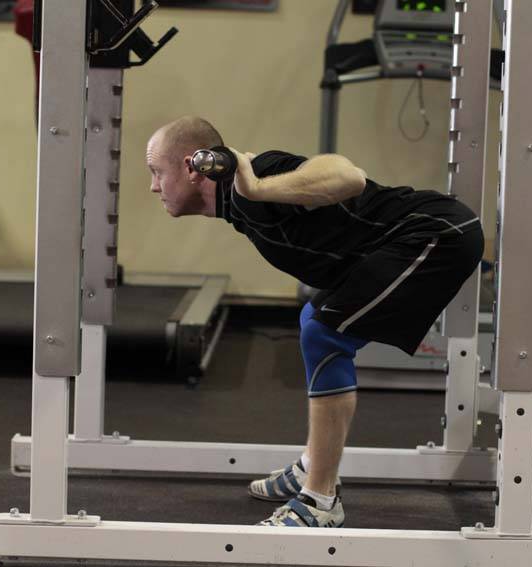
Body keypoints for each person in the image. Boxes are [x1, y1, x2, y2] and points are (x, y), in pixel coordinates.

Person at [146, 116, 484, 528]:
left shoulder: (258, 174)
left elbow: (348, 177)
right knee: (313, 317)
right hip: (407, 237)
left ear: (191, 167)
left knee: (325, 335)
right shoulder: (239, 204)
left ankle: (321, 500)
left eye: (156, 172)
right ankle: (313, 464)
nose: (154, 187)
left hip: (438, 234)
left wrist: (258, 187)